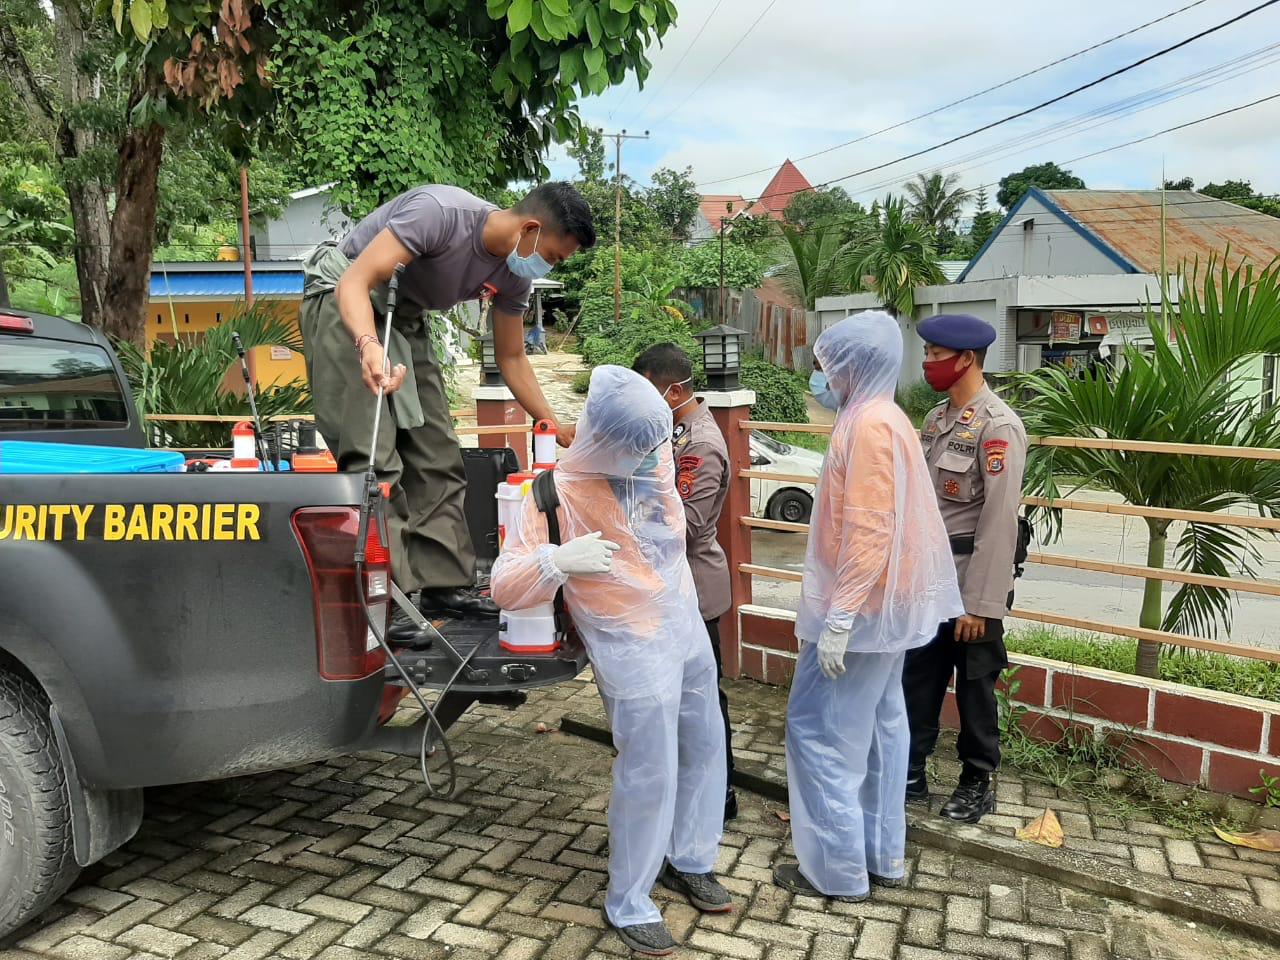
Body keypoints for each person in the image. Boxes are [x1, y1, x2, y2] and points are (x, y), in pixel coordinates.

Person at [490, 366, 731, 956]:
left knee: (703, 743)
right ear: (605, 437)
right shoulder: (551, 493)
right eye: (637, 445)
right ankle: (631, 898)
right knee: (649, 766)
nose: (649, 455)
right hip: (627, 644)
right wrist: (556, 560)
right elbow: (504, 586)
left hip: (683, 623)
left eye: (653, 444)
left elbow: (668, 540)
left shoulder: (656, 466)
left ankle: (691, 857)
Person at [299, 183, 594, 641]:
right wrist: (368, 346)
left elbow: (512, 357)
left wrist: (554, 425)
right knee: (373, 458)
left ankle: (442, 585)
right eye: (553, 257)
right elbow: (355, 281)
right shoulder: (439, 214)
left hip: (406, 315)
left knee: (437, 452)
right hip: (346, 301)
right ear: (531, 229)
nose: (547, 267)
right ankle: (385, 602)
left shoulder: (515, 276)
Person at [773, 312, 962, 902]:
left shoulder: (869, 427)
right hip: (882, 612)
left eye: (828, 367)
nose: (821, 378)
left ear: (853, 367)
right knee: (882, 730)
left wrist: (839, 616)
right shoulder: (887, 418)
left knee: (820, 733)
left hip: (860, 614)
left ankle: (835, 871)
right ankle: (881, 856)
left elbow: (870, 529)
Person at [904, 314, 1028, 824]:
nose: (928, 362)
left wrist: (979, 603)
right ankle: (910, 770)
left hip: (970, 574)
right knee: (919, 678)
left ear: (966, 359)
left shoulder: (998, 427)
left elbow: (1000, 523)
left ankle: (978, 780)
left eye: (935, 354)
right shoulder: (936, 421)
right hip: (930, 577)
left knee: (976, 686)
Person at [633, 343, 739, 824]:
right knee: (672, 698)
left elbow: (690, 523)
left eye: (651, 391)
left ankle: (722, 793)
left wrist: (631, 506)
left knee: (703, 700)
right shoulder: (673, 431)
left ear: (674, 390)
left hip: (694, 587)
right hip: (669, 586)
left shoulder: (700, 442)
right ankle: (690, 788)